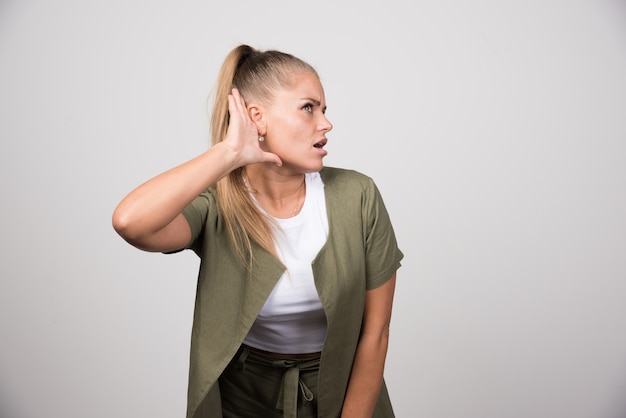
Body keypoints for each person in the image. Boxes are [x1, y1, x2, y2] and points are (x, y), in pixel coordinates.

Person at [112, 44, 403, 418]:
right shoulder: (218, 204)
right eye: (308, 107)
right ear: (257, 118)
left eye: (324, 110)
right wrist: (229, 152)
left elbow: (375, 334)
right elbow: (129, 222)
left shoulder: (358, 196)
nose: (326, 123)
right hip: (242, 396)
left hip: (343, 388)